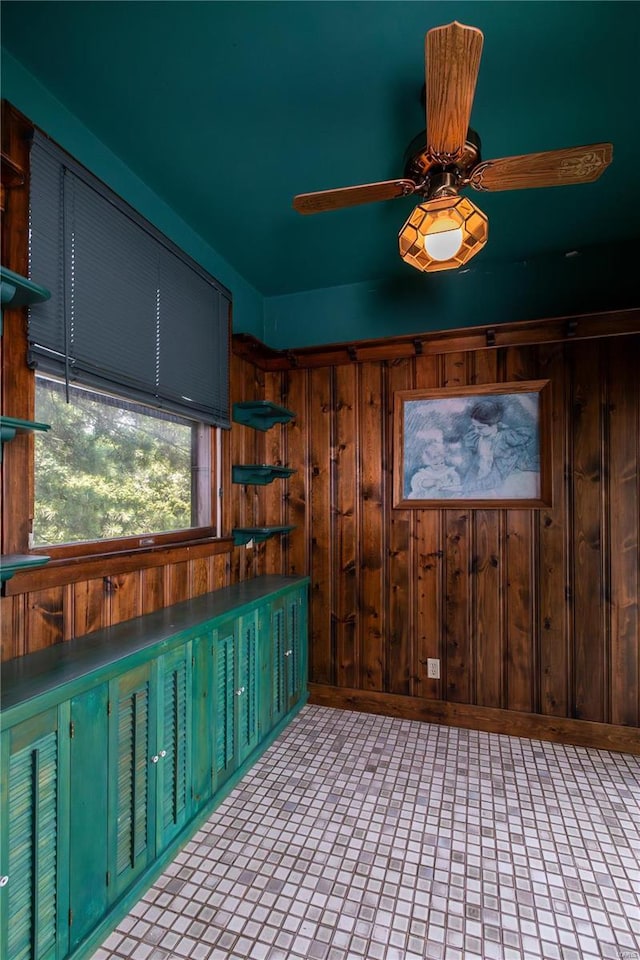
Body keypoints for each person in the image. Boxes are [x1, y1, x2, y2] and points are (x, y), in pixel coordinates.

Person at [462, 399, 538, 495]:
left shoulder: (505, 441)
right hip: (485, 480)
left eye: (480, 428)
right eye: (474, 426)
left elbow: (497, 477)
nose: (476, 431)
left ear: (494, 424)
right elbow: (476, 465)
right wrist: (466, 484)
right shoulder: (478, 438)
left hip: (505, 483)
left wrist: (472, 486)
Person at [410, 427, 462, 498]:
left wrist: (453, 483)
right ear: (428, 462)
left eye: (442, 463)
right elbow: (418, 482)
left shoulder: (449, 471)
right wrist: (434, 482)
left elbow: (456, 482)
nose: (440, 465)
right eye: (436, 464)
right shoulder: (425, 473)